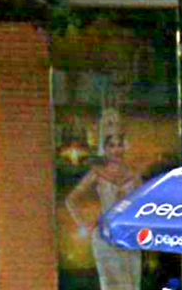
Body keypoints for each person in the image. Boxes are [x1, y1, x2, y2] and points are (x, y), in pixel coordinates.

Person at [65, 109, 142, 290]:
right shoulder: (97, 174)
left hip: (130, 235)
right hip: (106, 237)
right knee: (111, 283)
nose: (116, 150)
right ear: (105, 149)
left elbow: (146, 204)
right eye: (111, 145)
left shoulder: (134, 175)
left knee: (132, 283)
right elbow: (71, 199)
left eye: (119, 145)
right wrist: (86, 224)